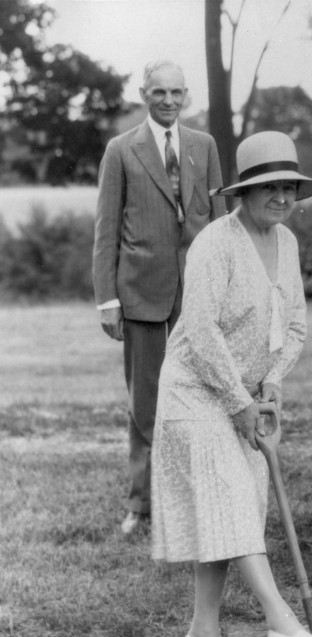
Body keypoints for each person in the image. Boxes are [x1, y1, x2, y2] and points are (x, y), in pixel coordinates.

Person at [150, 131, 312, 637]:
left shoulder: (287, 243)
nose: (281, 197)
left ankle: (203, 633)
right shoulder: (215, 243)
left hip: (247, 396)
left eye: (288, 188)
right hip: (194, 392)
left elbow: (295, 324)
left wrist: (271, 382)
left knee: (232, 509)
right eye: (268, 187)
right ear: (244, 192)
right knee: (229, 501)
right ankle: (282, 621)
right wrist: (238, 402)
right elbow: (202, 331)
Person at [92, 60, 225, 536]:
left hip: (197, 293)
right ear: (144, 93)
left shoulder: (204, 146)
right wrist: (108, 299)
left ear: (185, 95)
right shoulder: (121, 149)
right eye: (159, 92)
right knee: (145, 401)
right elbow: (107, 229)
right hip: (141, 292)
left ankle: (198, 496)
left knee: (201, 395)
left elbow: (220, 224)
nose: (168, 100)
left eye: (176, 92)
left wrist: (225, 288)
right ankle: (142, 504)